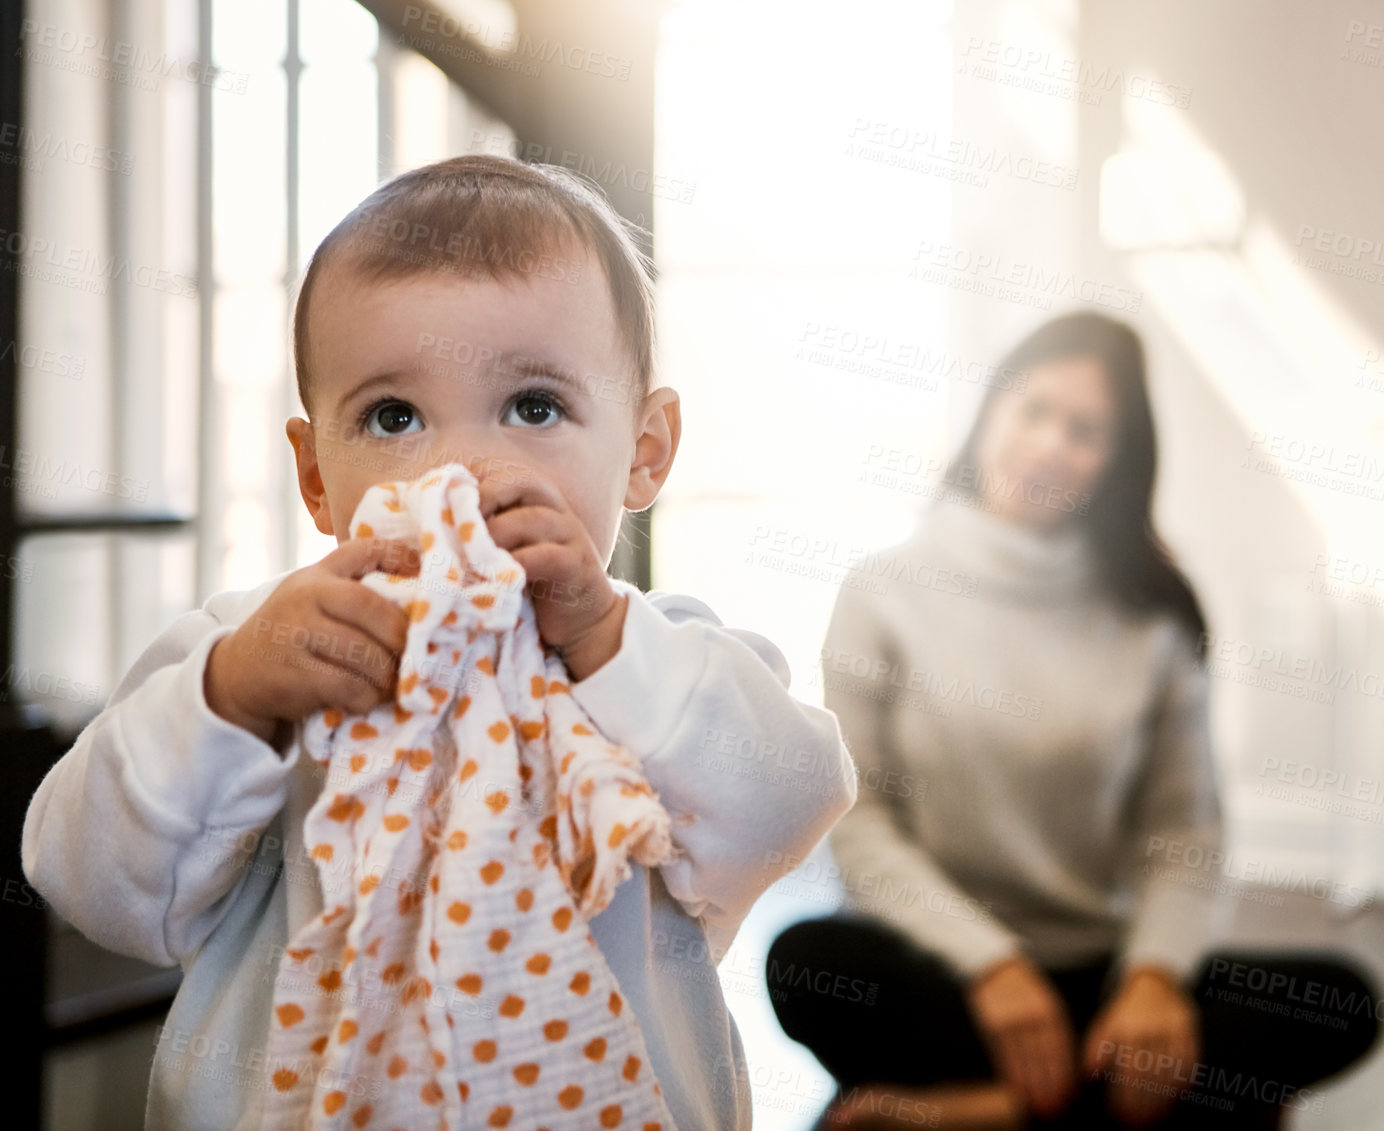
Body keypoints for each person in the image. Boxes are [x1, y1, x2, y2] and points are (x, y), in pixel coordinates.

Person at [21, 154, 857, 1130]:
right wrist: (232, 701)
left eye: (534, 407)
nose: (463, 465)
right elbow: (93, 884)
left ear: (644, 449)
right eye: (393, 416)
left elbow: (792, 804)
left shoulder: (665, 657)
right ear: (316, 476)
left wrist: (603, 638)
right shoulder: (252, 652)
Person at [767, 312, 1384, 1130]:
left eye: (1085, 430)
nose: (1050, 443)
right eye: (1032, 409)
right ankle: (1119, 1110)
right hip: (943, 968)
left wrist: (1156, 979)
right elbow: (862, 824)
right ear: (990, 412)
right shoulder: (882, 591)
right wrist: (993, 968)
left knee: (1339, 1001)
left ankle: (977, 1112)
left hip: (1101, 978)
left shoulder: (1152, 619)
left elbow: (1185, 835)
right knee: (805, 965)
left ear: (1114, 463)